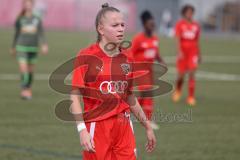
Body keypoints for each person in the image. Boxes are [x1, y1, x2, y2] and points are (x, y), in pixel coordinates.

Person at [71, 3, 156, 160]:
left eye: (123, 24)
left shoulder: (127, 57)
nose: (121, 28)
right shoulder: (86, 57)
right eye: (115, 25)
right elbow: (74, 96)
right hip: (97, 127)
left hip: (124, 126)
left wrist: (148, 126)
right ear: (101, 29)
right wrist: (82, 130)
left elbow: (129, 97)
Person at [131, 10, 165, 130]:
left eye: (153, 24)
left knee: (145, 97)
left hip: (149, 73)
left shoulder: (155, 39)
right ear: (145, 24)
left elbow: (155, 52)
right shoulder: (138, 39)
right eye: (150, 24)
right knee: (143, 96)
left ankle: (144, 119)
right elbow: (130, 54)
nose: (152, 26)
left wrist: (161, 61)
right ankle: (144, 120)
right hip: (139, 73)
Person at [10, 0, 48, 99]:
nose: (28, 6)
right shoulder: (20, 18)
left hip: (33, 48)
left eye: (29, 4)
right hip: (21, 47)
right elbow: (16, 33)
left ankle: (28, 88)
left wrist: (44, 44)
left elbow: (41, 32)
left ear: (32, 5)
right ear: (24, 5)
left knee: (30, 71)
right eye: (26, 4)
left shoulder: (37, 18)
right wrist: (13, 47)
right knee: (24, 69)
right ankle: (25, 90)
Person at [172, 4, 201, 106]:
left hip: (193, 52)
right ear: (184, 13)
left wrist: (199, 54)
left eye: (191, 12)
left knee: (192, 73)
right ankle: (178, 91)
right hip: (183, 52)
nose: (190, 14)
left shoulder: (196, 25)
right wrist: (179, 51)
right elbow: (178, 39)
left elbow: (197, 40)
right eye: (188, 12)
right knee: (181, 75)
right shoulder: (180, 24)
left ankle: (191, 97)